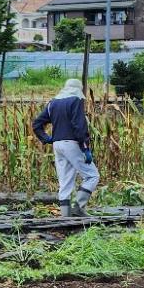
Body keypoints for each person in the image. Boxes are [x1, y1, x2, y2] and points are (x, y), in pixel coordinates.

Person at [32, 78, 100, 217]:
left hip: (58, 145)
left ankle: (65, 216)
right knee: (92, 176)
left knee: (65, 180)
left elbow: (37, 124)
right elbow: (79, 126)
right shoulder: (75, 100)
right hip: (72, 143)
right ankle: (79, 209)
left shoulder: (53, 103)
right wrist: (85, 148)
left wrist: (47, 138)